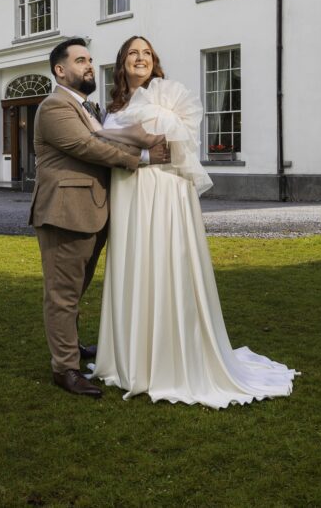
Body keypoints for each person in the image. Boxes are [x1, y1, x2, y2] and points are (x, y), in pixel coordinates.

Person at [91, 35, 298, 409]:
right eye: (133, 54)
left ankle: (167, 360)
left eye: (147, 54)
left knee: (163, 263)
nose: (141, 59)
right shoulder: (113, 107)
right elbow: (113, 149)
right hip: (128, 193)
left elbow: (165, 145)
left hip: (163, 190)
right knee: (133, 265)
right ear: (121, 63)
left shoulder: (168, 98)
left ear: (155, 62)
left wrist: (112, 137)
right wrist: (112, 137)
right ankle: (130, 357)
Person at [29, 37, 170, 399]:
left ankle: (72, 349)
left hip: (92, 212)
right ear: (60, 70)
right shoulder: (55, 106)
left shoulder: (89, 108)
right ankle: (65, 369)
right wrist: (144, 158)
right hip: (65, 214)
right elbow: (87, 147)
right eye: (80, 61)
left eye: (90, 59)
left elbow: (108, 138)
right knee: (62, 295)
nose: (89, 65)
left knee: (75, 291)